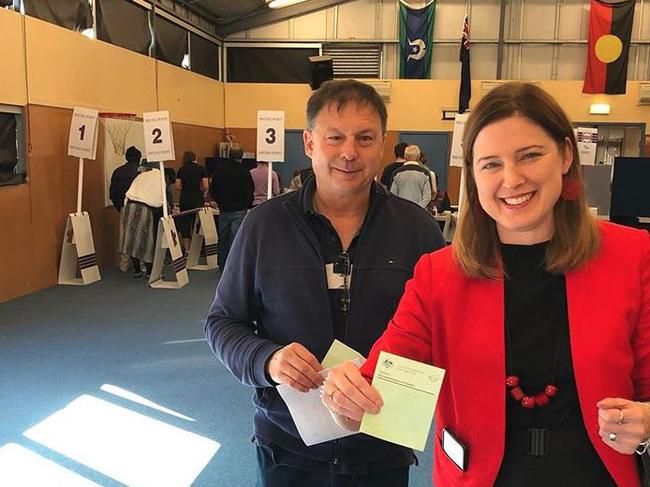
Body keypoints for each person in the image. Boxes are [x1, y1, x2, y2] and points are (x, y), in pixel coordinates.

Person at [323, 82, 650, 487]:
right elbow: (373, 392)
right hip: (480, 476)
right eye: (491, 164)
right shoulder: (438, 275)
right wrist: (346, 398)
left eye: (529, 155)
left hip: (598, 472)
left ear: (565, 155)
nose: (511, 179)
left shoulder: (632, 255)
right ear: (474, 176)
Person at [204, 79, 446, 487]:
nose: (350, 152)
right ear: (311, 143)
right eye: (335, 137)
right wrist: (268, 360)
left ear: (382, 144)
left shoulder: (417, 230)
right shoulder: (263, 226)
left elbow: (442, 333)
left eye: (365, 138)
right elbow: (223, 323)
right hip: (288, 446)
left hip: (382, 446)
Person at [209, 146, 254, 269]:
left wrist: (219, 201)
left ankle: (222, 263)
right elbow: (249, 190)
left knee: (223, 236)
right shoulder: (244, 171)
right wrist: (247, 204)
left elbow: (213, 188)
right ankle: (233, 264)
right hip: (239, 208)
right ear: (241, 157)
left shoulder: (219, 170)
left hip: (224, 208)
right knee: (235, 237)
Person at [119, 164, 164, 278]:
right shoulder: (159, 177)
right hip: (144, 209)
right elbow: (160, 199)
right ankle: (149, 272)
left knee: (131, 240)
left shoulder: (141, 176)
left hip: (129, 206)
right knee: (147, 240)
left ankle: (137, 270)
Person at [109, 145, 141, 272]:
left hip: (124, 206)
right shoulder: (140, 172)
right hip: (139, 207)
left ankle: (124, 263)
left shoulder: (117, 171)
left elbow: (112, 193)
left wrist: (120, 206)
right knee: (139, 235)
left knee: (124, 236)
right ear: (139, 158)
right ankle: (142, 264)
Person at [176, 150, 208, 253]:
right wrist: (203, 192)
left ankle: (187, 250)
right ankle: (196, 250)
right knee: (197, 224)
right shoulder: (201, 169)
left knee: (185, 225)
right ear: (195, 158)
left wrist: (186, 188)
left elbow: (177, 186)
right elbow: (206, 185)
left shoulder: (181, 170)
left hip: (185, 199)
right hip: (197, 199)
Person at [389, 144, 432, 209]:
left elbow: (393, 195)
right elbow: (427, 197)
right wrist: (416, 208)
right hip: (419, 213)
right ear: (418, 157)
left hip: (401, 210)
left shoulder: (397, 173)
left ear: (405, 157)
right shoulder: (425, 173)